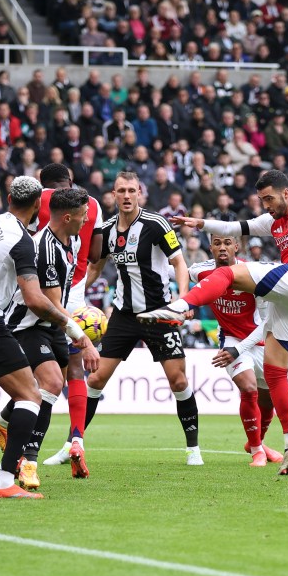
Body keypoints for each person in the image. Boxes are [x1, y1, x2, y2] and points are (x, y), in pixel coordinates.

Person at [143, 169, 288, 475]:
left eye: (269, 198)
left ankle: (180, 305)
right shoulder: (270, 221)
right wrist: (199, 224)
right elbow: (233, 226)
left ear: (286, 192)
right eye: (261, 199)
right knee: (276, 375)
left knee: (226, 274)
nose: (265, 205)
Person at [0, 176, 97, 499]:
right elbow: (44, 302)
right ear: (67, 217)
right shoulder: (42, 247)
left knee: (48, 386)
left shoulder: (71, 242)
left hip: (46, 323)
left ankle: (3, 423)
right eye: (83, 213)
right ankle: (25, 463)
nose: (87, 218)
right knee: (46, 383)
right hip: (25, 325)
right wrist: (80, 333)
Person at [83, 172, 203, 466]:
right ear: (112, 195)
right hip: (124, 314)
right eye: (120, 191)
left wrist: (184, 299)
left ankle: (193, 449)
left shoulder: (156, 224)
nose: (126, 196)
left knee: (178, 380)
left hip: (159, 313)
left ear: (140, 193)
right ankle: (73, 443)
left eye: (131, 190)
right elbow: (95, 269)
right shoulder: (106, 230)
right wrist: (73, 295)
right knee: (96, 378)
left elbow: (179, 262)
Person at [21, 165, 107, 472]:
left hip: (42, 289)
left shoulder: (38, 199)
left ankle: (20, 441)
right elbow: (97, 254)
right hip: (76, 290)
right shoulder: (92, 204)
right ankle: (76, 440)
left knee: (42, 377)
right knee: (73, 370)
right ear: (70, 182)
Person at [191, 235, 282, 467]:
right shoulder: (201, 272)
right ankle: (257, 452)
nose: (223, 247)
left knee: (269, 397)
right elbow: (175, 269)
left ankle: (256, 442)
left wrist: (240, 348)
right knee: (249, 388)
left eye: (227, 243)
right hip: (230, 339)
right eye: (218, 243)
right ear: (210, 247)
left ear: (236, 246)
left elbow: (267, 322)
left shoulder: (252, 274)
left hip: (260, 339)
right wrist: (185, 302)